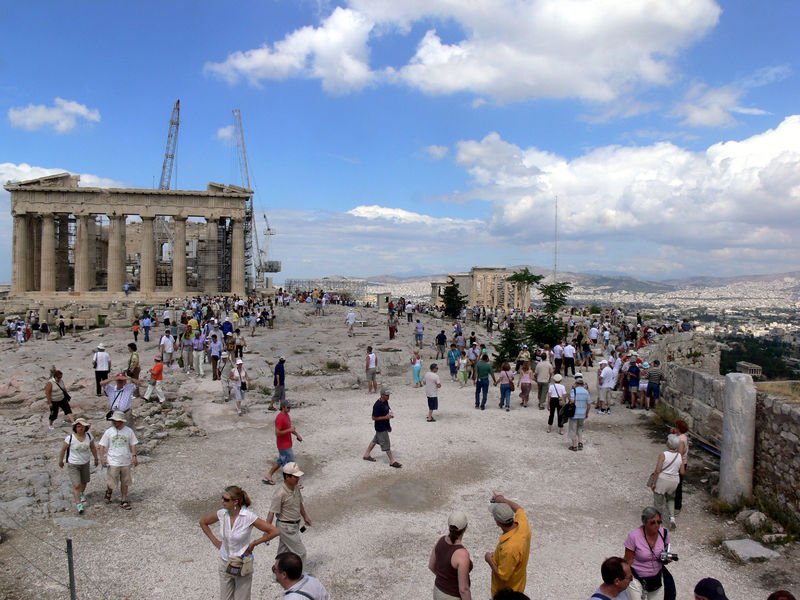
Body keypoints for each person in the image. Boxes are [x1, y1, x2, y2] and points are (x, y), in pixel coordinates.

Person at [199, 485, 280, 600]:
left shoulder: (248, 517)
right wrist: (215, 541)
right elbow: (203, 522)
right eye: (222, 498)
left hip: (242, 563)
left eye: (226, 499)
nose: (223, 501)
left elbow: (274, 531)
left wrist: (254, 543)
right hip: (225, 561)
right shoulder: (222, 514)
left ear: (236, 501)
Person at [485, 493, 531, 598]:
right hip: (518, 584)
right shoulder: (523, 526)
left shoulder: (509, 548)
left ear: (497, 522)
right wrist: (503, 500)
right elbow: (519, 508)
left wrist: (489, 560)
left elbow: (503, 575)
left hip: (507, 594)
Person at [267, 462, 313, 566]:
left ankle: (276, 576)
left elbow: (299, 503)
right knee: (301, 553)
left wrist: (305, 516)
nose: (298, 479)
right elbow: (271, 512)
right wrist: (267, 531)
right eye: (295, 477)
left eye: (298, 476)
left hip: (294, 525)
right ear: (287, 477)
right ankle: (300, 577)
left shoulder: (296, 488)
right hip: (286, 527)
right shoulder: (280, 493)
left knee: (283, 553)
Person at [624, 507, 674, 600]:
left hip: (656, 578)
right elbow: (628, 560)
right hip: (636, 578)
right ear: (644, 522)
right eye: (652, 522)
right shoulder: (634, 536)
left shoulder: (664, 533)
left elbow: (667, 551)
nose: (656, 525)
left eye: (659, 522)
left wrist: (668, 558)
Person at [98, 411, 139, 510]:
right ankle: (109, 491)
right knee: (112, 481)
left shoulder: (129, 431)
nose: (115, 422)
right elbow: (102, 445)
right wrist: (102, 458)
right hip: (113, 461)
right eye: (114, 421)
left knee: (125, 481)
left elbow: (133, 444)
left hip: (125, 460)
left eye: (117, 421)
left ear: (122, 421)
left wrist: (134, 456)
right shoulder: (109, 432)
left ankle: (124, 500)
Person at [58, 417, 99, 515]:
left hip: (85, 462)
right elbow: (63, 449)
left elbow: (92, 447)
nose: (80, 428)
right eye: (78, 426)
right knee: (77, 485)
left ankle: (81, 493)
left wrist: (96, 458)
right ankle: (78, 504)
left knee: (85, 481)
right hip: (73, 464)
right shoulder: (70, 438)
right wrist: (60, 460)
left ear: (86, 428)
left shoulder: (89, 436)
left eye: (82, 426)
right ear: (75, 427)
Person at [429, 511, 473, 600]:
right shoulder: (462, 554)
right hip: (452, 596)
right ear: (465, 528)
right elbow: (463, 589)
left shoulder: (440, 541)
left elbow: (431, 566)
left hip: (438, 591)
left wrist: (444, 580)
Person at [263, 400, 302, 485]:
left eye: (290, 407)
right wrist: (290, 430)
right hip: (283, 445)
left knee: (280, 461)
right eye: (288, 407)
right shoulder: (280, 418)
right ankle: (294, 483)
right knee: (292, 464)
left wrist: (297, 434)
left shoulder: (287, 416)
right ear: (283, 407)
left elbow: (289, 428)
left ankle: (268, 475)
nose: (289, 409)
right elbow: (277, 433)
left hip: (286, 444)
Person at [362, 385, 402, 468]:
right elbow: (374, 418)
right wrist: (386, 417)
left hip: (384, 426)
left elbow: (388, 411)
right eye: (387, 395)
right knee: (386, 443)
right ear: (382, 395)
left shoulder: (385, 402)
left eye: (389, 395)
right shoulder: (377, 405)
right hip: (380, 427)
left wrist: (389, 421)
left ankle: (366, 455)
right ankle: (392, 461)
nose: (388, 396)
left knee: (375, 440)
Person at [650, 435, 683, 530]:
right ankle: (672, 519)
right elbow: (682, 471)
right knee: (671, 499)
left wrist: (654, 482)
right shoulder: (679, 456)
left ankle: (658, 522)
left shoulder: (663, 454)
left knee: (658, 502)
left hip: (663, 480)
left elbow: (657, 470)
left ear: (668, 443)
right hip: (674, 481)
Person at [567, 374, 591, 451]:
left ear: (576, 384)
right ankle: (580, 443)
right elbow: (589, 404)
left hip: (574, 413)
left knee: (573, 429)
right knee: (580, 428)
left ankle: (574, 446)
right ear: (583, 384)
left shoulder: (573, 391)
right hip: (582, 413)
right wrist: (587, 413)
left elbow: (572, 401)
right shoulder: (586, 392)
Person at [673, 420, 690, 516]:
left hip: (680, 464)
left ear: (678, 429)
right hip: (682, 462)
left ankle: (677, 506)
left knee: (678, 485)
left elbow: (680, 454)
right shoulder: (682, 437)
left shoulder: (681, 440)